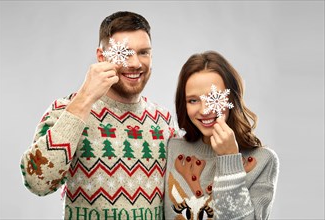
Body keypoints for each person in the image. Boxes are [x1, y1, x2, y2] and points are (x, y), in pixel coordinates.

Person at [20, 11, 177, 219]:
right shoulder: (66, 109)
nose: (136, 63)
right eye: (124, 52)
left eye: (143, 52)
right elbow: (37, 182)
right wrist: (85, 97)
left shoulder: (163, 120)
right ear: (101, 57)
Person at [164, 51, 279, 220]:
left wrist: (229, 160)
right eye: (193, 100)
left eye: (213, 98)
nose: (204, 110)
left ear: (232, 97)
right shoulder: (172, 148)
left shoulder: (263, 160)